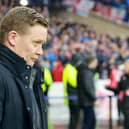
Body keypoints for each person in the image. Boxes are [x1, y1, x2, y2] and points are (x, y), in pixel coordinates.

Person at [0, 6, 49, 129]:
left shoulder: (32, 76)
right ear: (13, 38)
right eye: (36, 43)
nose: (40, 52)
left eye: (42, 45)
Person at [77, 54, 98, 129]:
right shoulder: (86, 72)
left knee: (90, 121)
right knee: (89, 122)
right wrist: (94, 98)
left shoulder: (84, 71)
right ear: (92, 62)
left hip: (85, 101)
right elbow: (88, 87)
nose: (97, 64)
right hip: (87, 101)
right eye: (96, 62)